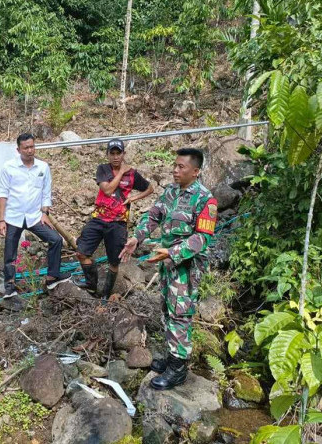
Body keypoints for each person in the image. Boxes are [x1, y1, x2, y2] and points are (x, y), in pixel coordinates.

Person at [120, 148, 217, 390]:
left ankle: (179, 369)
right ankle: (173, 357)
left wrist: (172, 252)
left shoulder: (206, 200)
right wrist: (137, 238)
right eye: (174, 165)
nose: (175, 170)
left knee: (180, 314)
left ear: (195, 172)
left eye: (181, 167)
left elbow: (202, 239)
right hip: (166, 263)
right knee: (166, 308)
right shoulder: (171, 192)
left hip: (187, 266)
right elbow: (153, 216)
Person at [74, 139, 153, 298]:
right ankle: (91, 285)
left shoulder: (133, 175)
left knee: (114, 262)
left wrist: (134, 198)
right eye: (113, 153)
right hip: (98, 219)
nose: (116, 157)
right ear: (108, 155)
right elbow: (108, 190)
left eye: (119, 153)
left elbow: (150, 188)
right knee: (81, 252)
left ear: (124, 154)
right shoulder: (103, 169)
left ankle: (105, 295)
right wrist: (122, 172)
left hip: (118, 223)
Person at [0, 133, 68, 297]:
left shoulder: (43, 167)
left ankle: (52, 277)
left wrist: (45, 213)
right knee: (10, 252)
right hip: (13, 216)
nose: (30, 150)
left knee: (56, 239)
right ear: (18, 149)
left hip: (35, 216)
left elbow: (46, 193)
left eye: (32, 146)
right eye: (26, 148)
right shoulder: (9, 167)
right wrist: (1, 220)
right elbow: (3, 194)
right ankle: (9, 286)